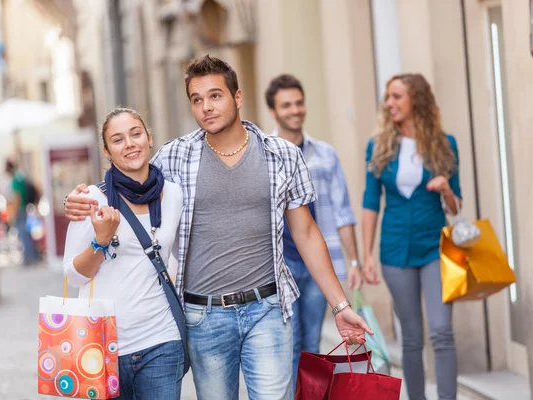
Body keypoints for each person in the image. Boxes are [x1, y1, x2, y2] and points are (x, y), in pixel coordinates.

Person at [65, 55, 372, 400]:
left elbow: (306, 233)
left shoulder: (282, 155)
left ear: (237, 98)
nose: (206, 107)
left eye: (215, 96)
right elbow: (128, 174)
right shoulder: (175, 156)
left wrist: (340, 306)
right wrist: (83, 197)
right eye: (197, 100)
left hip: (268, 309)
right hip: (203, 317)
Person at [63, 107, 186, 399]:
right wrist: (100, 241)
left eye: (135, 134)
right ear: (107, 151)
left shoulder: (174, 194)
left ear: (149, 138)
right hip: (102, 344)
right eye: (117, 140)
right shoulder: (91, 199)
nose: (129, 144)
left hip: (162, 339)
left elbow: (178, 255)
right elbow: (72, 275)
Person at [361, 73, 461, 400]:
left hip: (434, 248)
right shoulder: (378, 147)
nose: (389, 103)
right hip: (394, 252)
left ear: (416, 99)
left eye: (397, 96)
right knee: (412, 338)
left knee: (442, 332)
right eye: (387, 97)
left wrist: (446, 188)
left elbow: (456, 206)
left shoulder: (446, 144)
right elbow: (371, 202)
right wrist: (366, 255)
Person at [265, 74, 363, 387]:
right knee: (289, 345)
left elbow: (343, 211)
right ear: (274, 112)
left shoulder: (325, 154)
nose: (294, 110)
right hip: (282, 265)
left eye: (298, 103)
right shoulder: (265, 154)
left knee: (313, 346)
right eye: (286, 105)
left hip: (319, 263)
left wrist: (354, 261)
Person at [5, 159, 39, 266]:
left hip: (20, 209)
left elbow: (17, 196)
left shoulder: (15, 179)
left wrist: (13, 211)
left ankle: (29, 258)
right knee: (26, 233)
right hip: (24, 207)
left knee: (23, 234)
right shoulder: (20, 176)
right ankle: (33, 255)